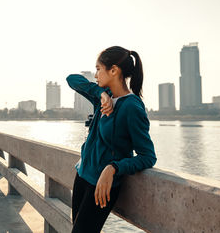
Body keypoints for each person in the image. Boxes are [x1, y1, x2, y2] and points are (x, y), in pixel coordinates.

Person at [66, 46, 157, 233]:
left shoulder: (131, 107)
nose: (96, 74)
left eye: (99, 69)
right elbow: (71, 79)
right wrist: (101, 94)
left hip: (101, 186)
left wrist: (114, 167)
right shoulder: (102, 97)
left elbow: (148, 156)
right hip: (82, 175)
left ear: (114, 70)